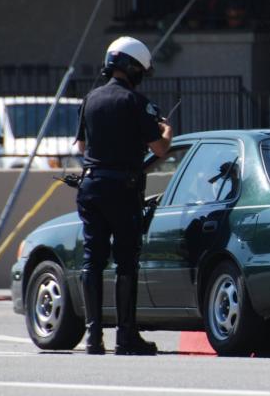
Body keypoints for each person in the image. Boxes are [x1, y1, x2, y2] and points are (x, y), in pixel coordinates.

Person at [75, 36, 172, 355]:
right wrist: (166, 131)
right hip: (123, 188)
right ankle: (126, 336)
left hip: (90, 187)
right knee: (126, 262)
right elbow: (159, 148)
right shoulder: (135, 102)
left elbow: (82, 148)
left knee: (93, 259)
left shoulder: (90, 99)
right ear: (132, 68)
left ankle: (92, 338)